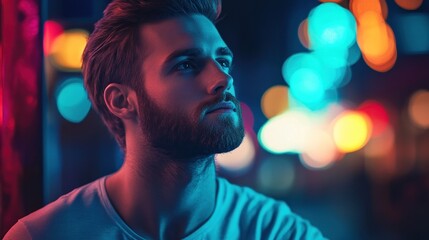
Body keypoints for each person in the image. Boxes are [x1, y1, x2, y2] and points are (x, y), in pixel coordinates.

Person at [4, 0, 326, 239]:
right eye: (186, 65)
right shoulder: (42, 236)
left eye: (223, 61)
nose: (222, 79)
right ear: (121, 101)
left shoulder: (276, 232)